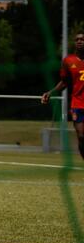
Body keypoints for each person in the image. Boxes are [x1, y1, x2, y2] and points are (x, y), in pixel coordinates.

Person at [41, 31, 84, 162]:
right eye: (77, 39)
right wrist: (50, 93)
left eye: (82, 39)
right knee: (81, 136)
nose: (79, 41)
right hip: (77, 103)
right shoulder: (68, 61)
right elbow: (65, 82)